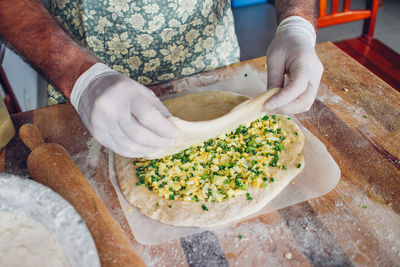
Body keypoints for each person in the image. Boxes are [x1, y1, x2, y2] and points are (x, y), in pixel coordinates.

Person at [0, 0, 322, 158]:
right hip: (86, 86)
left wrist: (297, 23)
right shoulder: (84, 82)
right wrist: (83, 79)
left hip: (211, 68)